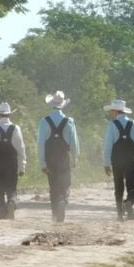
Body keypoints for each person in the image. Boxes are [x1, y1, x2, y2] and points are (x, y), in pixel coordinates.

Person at [37, 91, 80, 223]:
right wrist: (75, 158)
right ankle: (63, 201)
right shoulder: (69, 121)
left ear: (52, 105)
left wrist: (42, 163)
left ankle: (55, 213)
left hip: (50, 158)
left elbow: (40, 144)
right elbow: (74, 142)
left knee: (53, 186)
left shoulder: (44, 121)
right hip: (64, 157)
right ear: (63, 105)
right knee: (65, 184)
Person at [103, 99, 134, 221]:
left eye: (112, 110)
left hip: (116, 160)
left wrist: (106, 163)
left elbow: (108, 146)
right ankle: (129, 202)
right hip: (130, 159)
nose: (111, 112)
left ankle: (119, 213)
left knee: (119, 185)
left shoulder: (112, 125)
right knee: (132, 184)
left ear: (116, 111)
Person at [0, 102, 26, 219]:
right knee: (11, 188)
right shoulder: (16, 129)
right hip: (12, 163)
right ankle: (11, 202)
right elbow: (21, 149)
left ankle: (2, 214)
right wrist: (22, 166)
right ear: (9, 115)